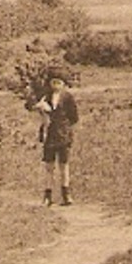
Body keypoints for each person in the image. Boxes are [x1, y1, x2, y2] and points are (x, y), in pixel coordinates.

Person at [33, 75, 79, 206]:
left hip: (63, 135)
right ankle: (48, 196)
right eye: (54, 82)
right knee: (49, 166)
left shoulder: (68, 98)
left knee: (64, 165)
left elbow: (74, 117)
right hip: (50, 135)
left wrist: (64, 126)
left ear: (64, 84)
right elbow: (37, 110)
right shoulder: (46, 97)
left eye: (59, 82)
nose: (56, 85)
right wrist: (42, 111)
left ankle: (66, 195)